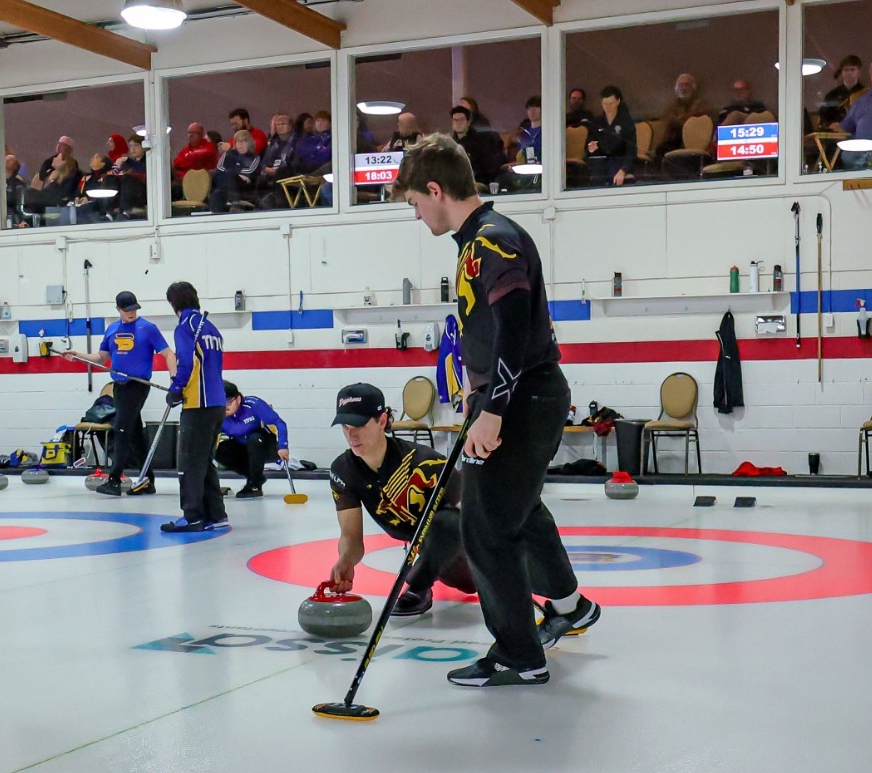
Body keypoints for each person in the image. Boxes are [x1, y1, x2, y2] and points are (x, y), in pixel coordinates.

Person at [392, 134, 600, 687]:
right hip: (512, 395)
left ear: (436, 189)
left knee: (484, 526)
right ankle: (568, 605)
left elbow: (511, 331)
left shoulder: (492, 241)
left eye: (415, 202)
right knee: (517, 509)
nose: (416, 214)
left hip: (522, 396)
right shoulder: (478, 240)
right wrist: (475, 394)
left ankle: (518, 654)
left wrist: (494, 410)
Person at [326, 381, 479, 617]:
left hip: (453, 539)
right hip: (415, 539)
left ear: (382, 421)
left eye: (358, 425)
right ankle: (420, 584)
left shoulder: (427, 464)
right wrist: (346, 560)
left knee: (469, 577)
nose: (351, 434)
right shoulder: (344, 470)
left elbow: (473, 516)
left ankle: (422, 578)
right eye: (345, 427)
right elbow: (351, 535)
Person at [87, 291, 173, 497]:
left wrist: (174, 380)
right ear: (118, 310)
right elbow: (100, 357)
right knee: (134, 434)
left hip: (137, 385)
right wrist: (77, 355)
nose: (131, 313)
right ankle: (147, 480)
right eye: (127, 310)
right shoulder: (112, 329)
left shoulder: (148, 328)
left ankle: (114, 480)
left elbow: (168, 353)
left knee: (121, 429)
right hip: (119, 386)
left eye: (134, 309)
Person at [162, 281, 228, 534]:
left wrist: (176, 388)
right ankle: (216, 513)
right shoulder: (211, 328)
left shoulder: (185, 327)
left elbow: (186, 363)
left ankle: (192, 516)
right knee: (205, 461)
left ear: (173, 303)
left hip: (198, 404)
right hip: (218, 403)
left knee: (189, 462)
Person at [216, 381, 288, 497]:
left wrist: (283, 446)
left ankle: (254, 485)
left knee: (255, 439)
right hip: (242, 447)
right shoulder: (218, 415)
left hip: (263, 445)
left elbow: (279, 423)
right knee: (220, 451)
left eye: (228, 402)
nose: (225, 407)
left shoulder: (253, 405)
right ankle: (255, 478)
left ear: (238, 399)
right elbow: (210, 435)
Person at [654, 72, 713, 158]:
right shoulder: (672, 107)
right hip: (676, 139)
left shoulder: (701, 105)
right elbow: (669, 121)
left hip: (695, 140)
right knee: (660, 149)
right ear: (677, 89)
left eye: (687, 85)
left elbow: (701, 120)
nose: (684, 88)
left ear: (693, 88)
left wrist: (684, 119)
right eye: (681, 85)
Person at [588, 86, 638, 186]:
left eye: (611, 103)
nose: (608, 107)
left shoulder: (626, 122)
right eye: (605, 104)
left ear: (618, 102)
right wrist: (590, 148)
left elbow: (631, 150)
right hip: (601, 164)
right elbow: (590, 145)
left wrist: (623, 170)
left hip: (620, 162)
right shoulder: (597, 122)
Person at [449, 104, 507, 189]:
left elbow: (488, 166)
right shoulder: (450, 144)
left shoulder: (480, 141)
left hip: (478, 181)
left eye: (461, 120)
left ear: (468, 122)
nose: (458, 123)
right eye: (455, 120)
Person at [209, 128, 264, 212]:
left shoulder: (254, 157)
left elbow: (250, 172)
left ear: (249, 143)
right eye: (238, 142)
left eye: (244, 142)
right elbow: (219, 169)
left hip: (244, 190)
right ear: (235, 143)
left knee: (229, 174)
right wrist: (238, 173)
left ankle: (234, 202)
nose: (241, 145)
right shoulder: (228, 154)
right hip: (225, 187)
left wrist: (231, 173)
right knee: (217, 192)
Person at [815, 55, 867, 130]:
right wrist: (831, 125)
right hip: (836, 135)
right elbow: (823, 118)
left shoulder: (867, 94)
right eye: (846, 70)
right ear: (841, 72)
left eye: (852, 69)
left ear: (858, 72)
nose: (849, 72)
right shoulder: (832, 95)